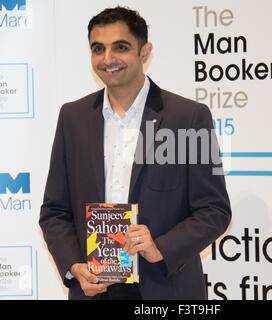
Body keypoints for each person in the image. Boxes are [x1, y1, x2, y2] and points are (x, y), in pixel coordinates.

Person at [39, 6, 231, 300]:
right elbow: (55, 211)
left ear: (145, 52)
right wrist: (74, 267)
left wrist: (161, 248)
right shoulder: (72, 117)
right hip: (94, 289)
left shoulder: (189, 117)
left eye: (121, 47)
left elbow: (215, 210)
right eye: (98, 49)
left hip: (165, 290)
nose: (108, 59)